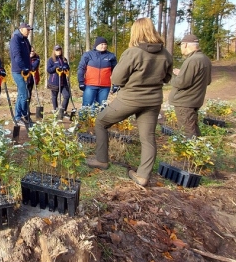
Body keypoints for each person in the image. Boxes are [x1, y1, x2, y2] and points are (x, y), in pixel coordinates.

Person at [87, 18, 173, 187]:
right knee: (148, 137)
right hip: (153, 99)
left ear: (136, 32)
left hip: (130, 98)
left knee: (101, 122)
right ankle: (143, 175)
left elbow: (117, 78)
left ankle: (101, 159)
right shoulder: (166, 54)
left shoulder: (133, 52)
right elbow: (168, 78)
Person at [168, 33, 212, 137]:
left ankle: (191, 153)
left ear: (186, 45)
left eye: (181, 45)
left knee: (187, 133)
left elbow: (181, 83)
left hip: (185, 102)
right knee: (194, 130)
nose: (181, 48)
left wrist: (169, 77)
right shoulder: (204, 59)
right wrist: (182, 73)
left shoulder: (192, 60)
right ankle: (199, 150)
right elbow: (207, 80)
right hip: (195, 100)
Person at [77, 36, 118, 106]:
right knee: (86, 106)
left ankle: (99, 117)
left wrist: (116, 84)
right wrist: (81, 82)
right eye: (102, 44)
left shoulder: (111, 56)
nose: (104, 46)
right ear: (96, 45)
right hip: (90, 85)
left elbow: (116, 71)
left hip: (104, 87)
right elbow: (81, 68)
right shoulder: (88, 55)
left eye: (105, 44)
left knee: (101, 107)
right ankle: (83, 117)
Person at [9, 22, 33, 126]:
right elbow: (16, 56)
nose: (29, 32)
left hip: (26, 71)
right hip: (18, 71)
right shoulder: (15, 39)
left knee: (22, 94)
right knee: (24, 94)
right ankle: (20, 116)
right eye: (27, 30)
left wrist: (30, 68)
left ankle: (20, 116)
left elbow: (28, 55)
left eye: (29, 30)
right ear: (21, 29)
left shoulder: (25, 40)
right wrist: (24, 67)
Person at [46, 45, 71, 113]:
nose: (58, 51)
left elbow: (68, 67)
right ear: (54, 51)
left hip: (63, 81)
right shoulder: (51, 60)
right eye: (57, 50)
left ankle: (62, 110)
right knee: (54, 96)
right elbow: (49, 70)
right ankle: (55, 110)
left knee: (67, 96)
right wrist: (55, 67)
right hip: (54, 81)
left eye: (59, 50)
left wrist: (66, 67)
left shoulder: (64, 59)